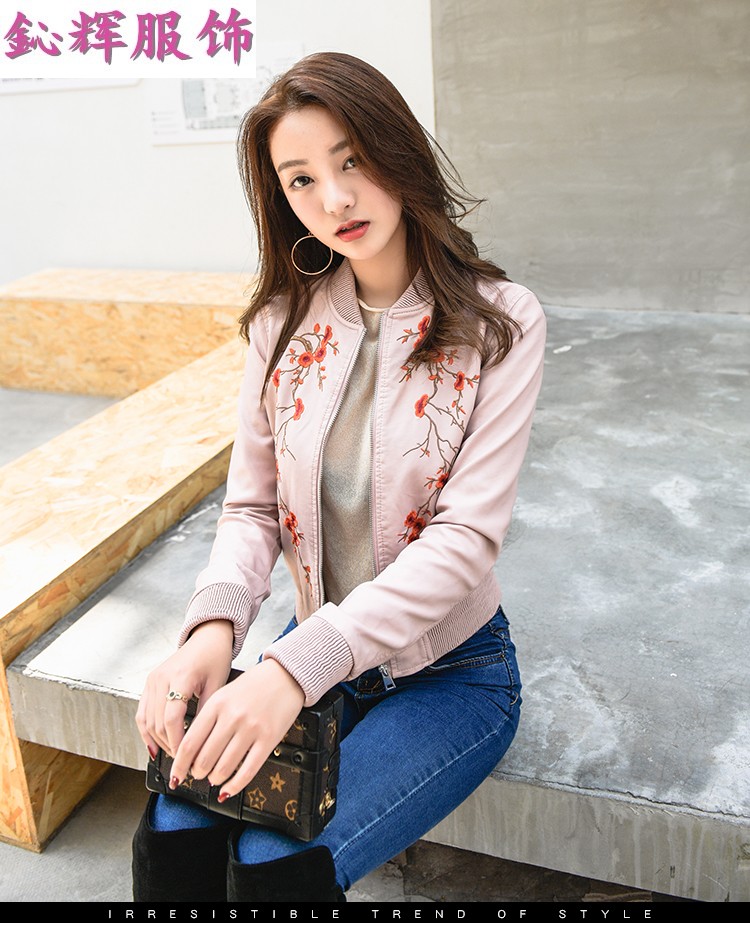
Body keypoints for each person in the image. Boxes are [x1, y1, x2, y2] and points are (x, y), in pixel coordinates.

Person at [132, 51, 546, 904]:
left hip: (451, 672)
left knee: (271, 864)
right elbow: (251, 508)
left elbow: (464, 540)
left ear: (397, 150)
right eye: (301, 179)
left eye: (352, 160)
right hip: (315, 646)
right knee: (172, 829)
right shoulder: (282, 323)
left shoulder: (501, 323)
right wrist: (212, 630)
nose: (335, 199)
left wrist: (290, 671)